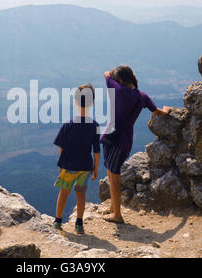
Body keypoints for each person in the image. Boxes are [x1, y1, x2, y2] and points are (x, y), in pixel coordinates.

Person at [101, 65, 172, 223]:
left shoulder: (117, 89)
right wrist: (166, 110)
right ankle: (113, 207)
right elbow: (157, 112)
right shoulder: (142, 96)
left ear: (120, 80)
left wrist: (112, 75)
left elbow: (106, 74)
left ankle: (117, 214)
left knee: (113, 175)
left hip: (111, 137)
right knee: (112, 171)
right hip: (125, 140)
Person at [53, 84, 100, 234]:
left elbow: (62, 146)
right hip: (85, 166)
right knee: (81, 194)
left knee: (64, 192)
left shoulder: (68, 124)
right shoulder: (94, 126)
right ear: (92, 102)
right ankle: (79, 224)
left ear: (75, 101)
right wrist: (96, 167)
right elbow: (97, 150)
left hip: (68, 165)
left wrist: (61, 164)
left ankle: (57, 221)